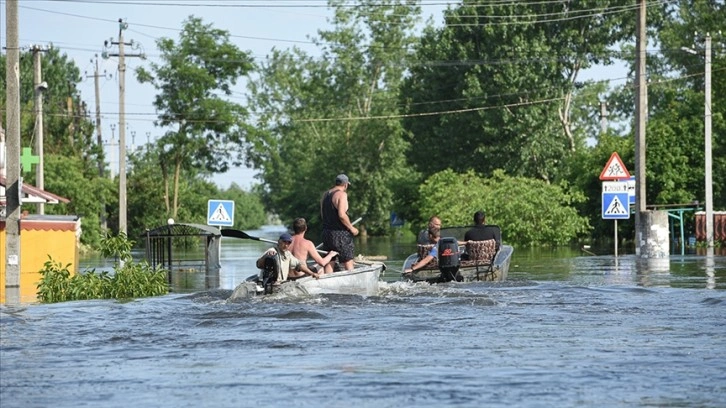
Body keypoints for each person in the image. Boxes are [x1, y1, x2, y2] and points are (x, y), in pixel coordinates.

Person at [320, 174, 359, 271]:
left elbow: (322, 214)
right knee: (348, 260)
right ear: (345, 185)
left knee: (330, 260)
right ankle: (352, 282)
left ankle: (328, 282)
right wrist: (351, 228)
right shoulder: (342, 195)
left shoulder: (325, 195)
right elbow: (342, 215)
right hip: (340, 234)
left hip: (326, 233)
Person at [255, 232, 320, 284]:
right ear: (279, 241)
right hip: (270, 284)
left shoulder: (287, 254)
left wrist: (312, 273)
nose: (286, 245)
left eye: (288, 243)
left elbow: (299, 265)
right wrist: (266, 256)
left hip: (281, 284)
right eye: (284, 242)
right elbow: (258, 264)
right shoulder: (272, 251)